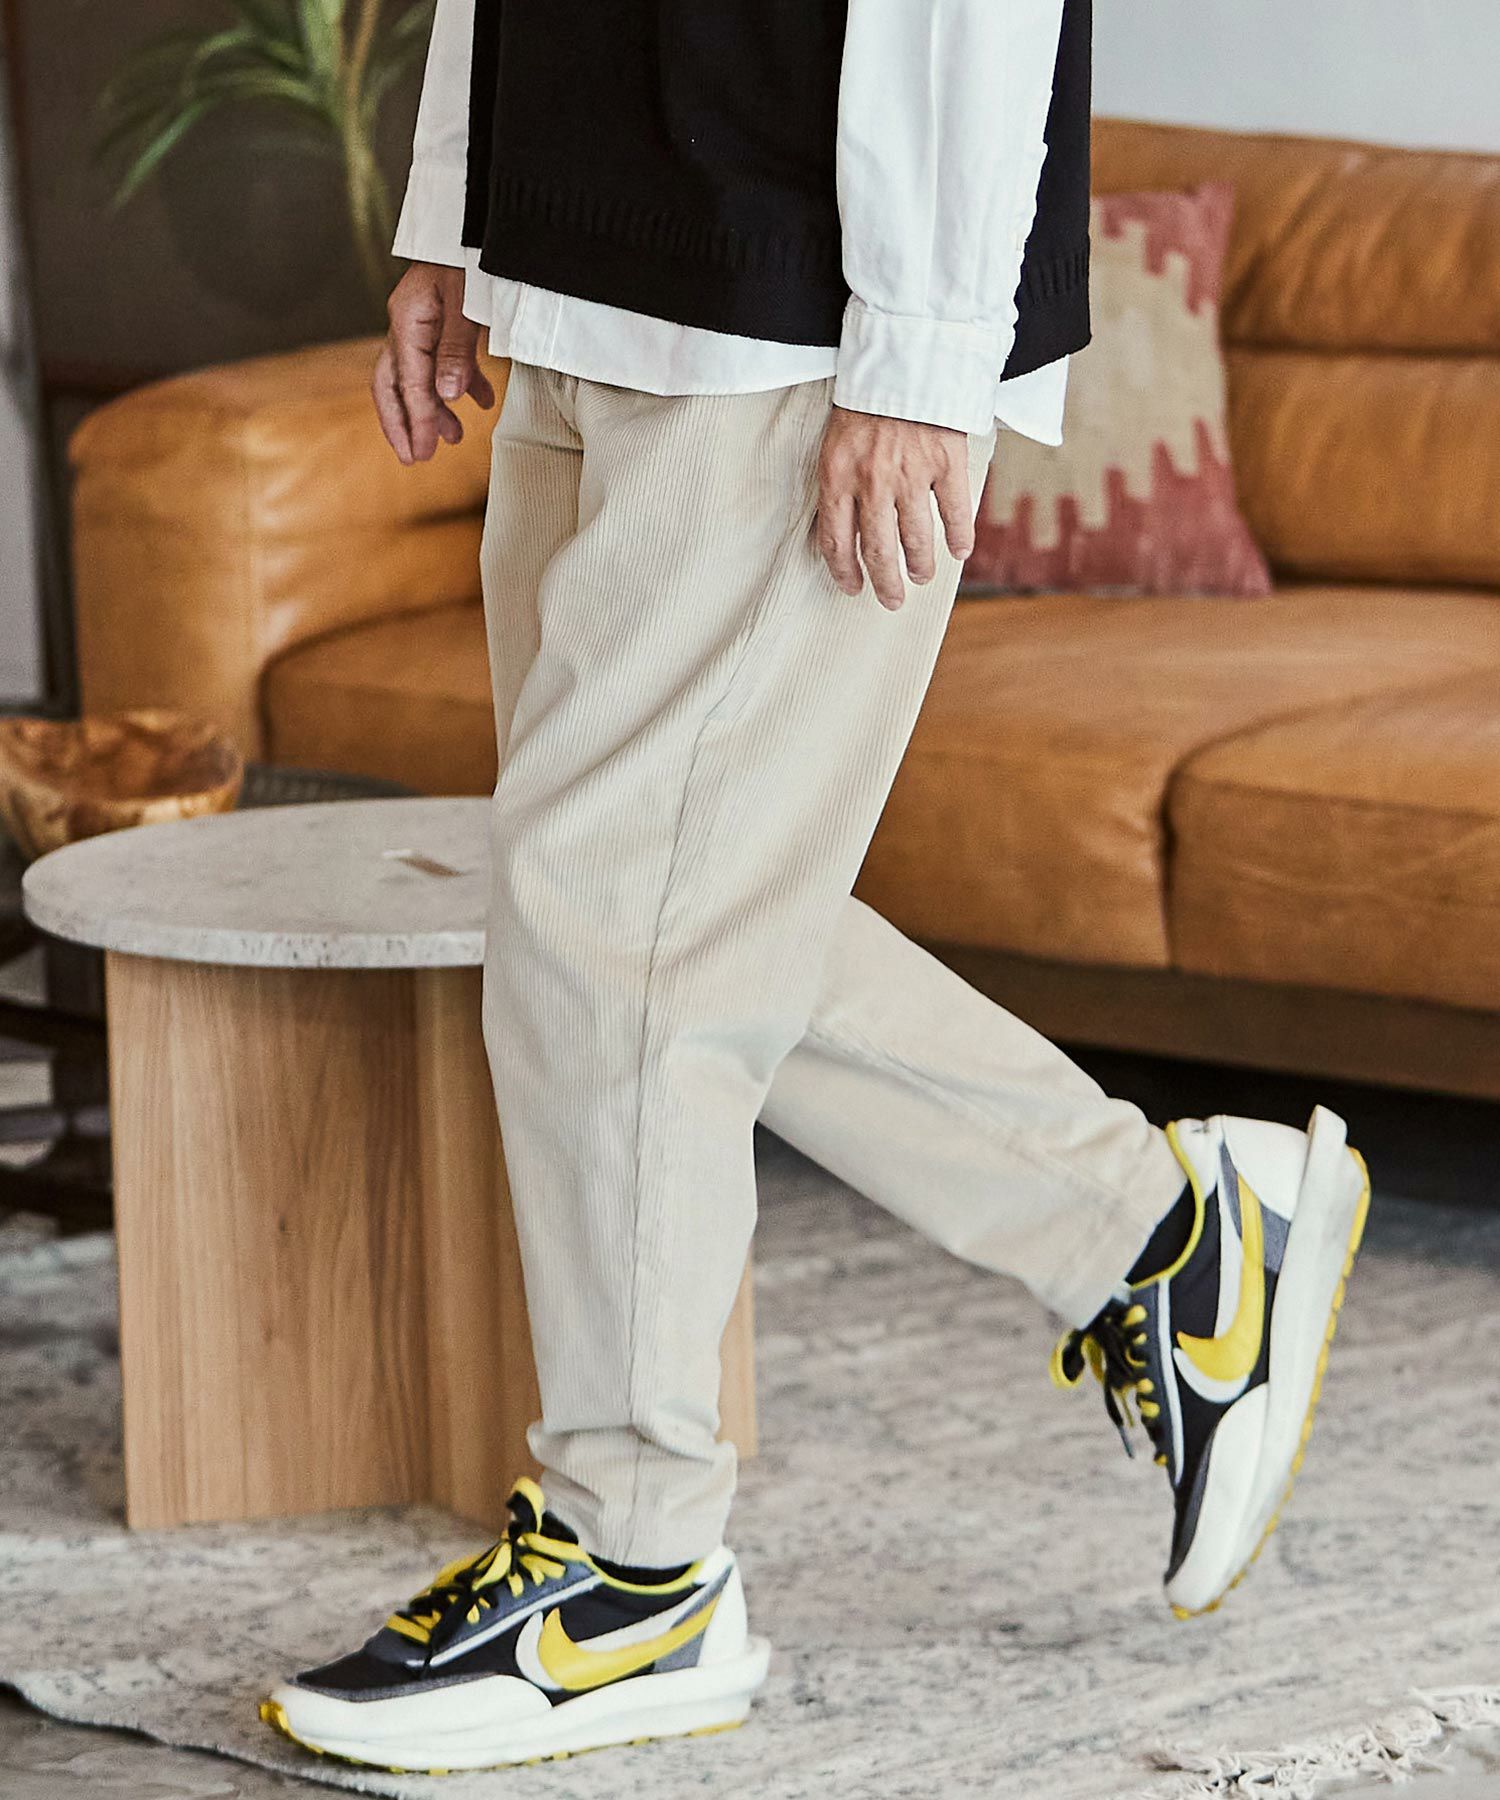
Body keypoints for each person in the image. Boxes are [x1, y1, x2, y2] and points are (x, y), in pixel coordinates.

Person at [262, 0, 1370, 1774]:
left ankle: (636, 1571)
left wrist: (920, 359)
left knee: (626, 917)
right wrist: (459, 214)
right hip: (571, 262)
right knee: (643, 906)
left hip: (790, 293)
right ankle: (1166, 1238)